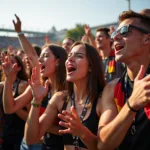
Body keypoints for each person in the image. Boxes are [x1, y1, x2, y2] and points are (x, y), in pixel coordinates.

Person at [24, 41, 105, 150]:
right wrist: (36, 100)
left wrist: (82, 132)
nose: (70, 59)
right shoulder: (60, 98)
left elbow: (106, 147)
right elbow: (30, 139)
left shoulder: (103, 99)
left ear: (91, 66)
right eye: (69, 55)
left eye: (79, 56)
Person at [3, 15, 67, 150]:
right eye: (40, 56)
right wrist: (9, 80)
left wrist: (39, 125)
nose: (39, 60)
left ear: (58, 61)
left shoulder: (70, 88)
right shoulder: (38, 86)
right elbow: (9, 108)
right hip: (40, 145)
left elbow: (69, 130)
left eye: (45, 56)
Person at [97, 10, 150, 150]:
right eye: (114, 34)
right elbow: (103, 144)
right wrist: (131, 104)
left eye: (125, 31)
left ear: (147, 39)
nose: (115, 37)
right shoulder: (112, 88)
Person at [1, 54, 29, 150]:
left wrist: (13, 105)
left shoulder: (23, 85)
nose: (8, 64)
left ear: (19, 68)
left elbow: (30, 117)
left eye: (12, 62)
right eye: (7, 62)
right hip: (5, 133)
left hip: (20, 135)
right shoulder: (1, 86)